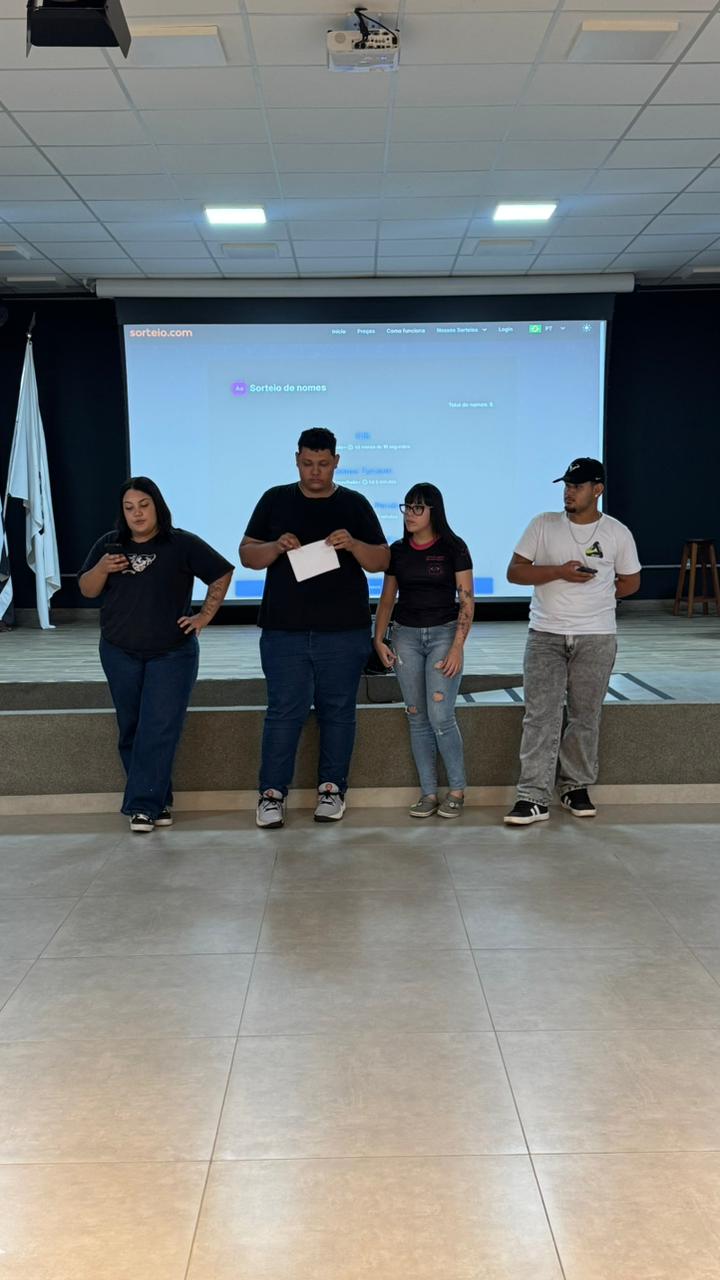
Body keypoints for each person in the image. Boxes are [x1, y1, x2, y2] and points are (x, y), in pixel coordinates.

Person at [240, 427, 390, 828]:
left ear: (337, 461)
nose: (315, 471)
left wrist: (353, 544)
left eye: (323, 464)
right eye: (308, 463)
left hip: (343, 631)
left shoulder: (354, 504)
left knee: (338, 712)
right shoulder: (275, 499)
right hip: (284, 630)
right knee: (283, 713)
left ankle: (331, 790)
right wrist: (275, 546)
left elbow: (381, 560)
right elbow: (247, 555)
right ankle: (272, 795)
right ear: (296, 460)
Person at [79, 477, 233, 833]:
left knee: (159, 727)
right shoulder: (109, 544)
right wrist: (102, 568)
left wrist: (204, 616)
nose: (137, 514)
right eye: (129, 508)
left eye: (143, 505)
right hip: (119, 651)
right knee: (131, 728)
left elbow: (222, 572)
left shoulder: (181, 543)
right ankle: (157, 799)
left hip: (172, 653)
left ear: (157, 506)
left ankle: (142, 807)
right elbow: (87, 589)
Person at [504, 457, 641, 826]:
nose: (569, 492)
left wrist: (600, 595)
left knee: (585, 716)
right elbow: (515, 572)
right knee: (540, 716)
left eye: (577, 486)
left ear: (598, 490)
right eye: (566, 485)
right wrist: (559, 572)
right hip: (545, 634)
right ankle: (532, 796)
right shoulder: (543, 524)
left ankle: (575, 787)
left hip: (596, 636)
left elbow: (631, 581)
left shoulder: (616, 533)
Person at [373, 483, 474, 819]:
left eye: (418, 508)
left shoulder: (454, 547)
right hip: (406, 637)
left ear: (434, 511)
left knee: (441, 716)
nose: (411, 514)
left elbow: (467, 600)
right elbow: (387, 599)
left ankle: (456, 790)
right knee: (416, 716)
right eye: (407, 507)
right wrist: (378, 639)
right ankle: (428, 793)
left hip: (444, 633)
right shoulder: (398, 550)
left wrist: (458, 647)